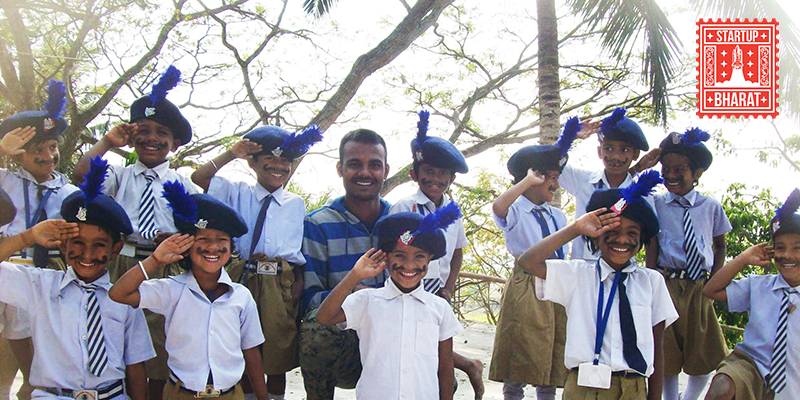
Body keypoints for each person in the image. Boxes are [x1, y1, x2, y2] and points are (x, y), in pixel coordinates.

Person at [73, 65, 198, 398]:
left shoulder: (184, 186)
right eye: (142, 130)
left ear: (174, 144)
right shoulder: (119, 175)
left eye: (161, 133)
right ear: (131, 137)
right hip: (120, 266)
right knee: (114, 336)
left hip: (162, 270)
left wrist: (178, 242)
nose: (151, 138)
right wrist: (107, 141)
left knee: (157, 347)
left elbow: (197, 230)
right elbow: (81, 175)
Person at [0, 156, 155, 400]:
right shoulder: (40, 286)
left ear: (115, 250)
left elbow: (136, 368)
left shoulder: (125, 300)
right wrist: (26, 237)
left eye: (99, 245)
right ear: (63, 245)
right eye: (78, 243)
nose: (87, 254)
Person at [517, 170, 678, 400]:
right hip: (584, 388)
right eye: (612, 231)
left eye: (632, 233)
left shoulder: (652, 282)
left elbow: (657, 347)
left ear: (641, 240)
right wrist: (575, 228)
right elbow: (528, 262)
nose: (622, 239)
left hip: (634, 389)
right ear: (595, 236)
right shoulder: (577, 275)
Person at [191, 124, 323, 400]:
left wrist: (298, 282)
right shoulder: (236, 192)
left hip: (280, 284)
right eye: (269, 159)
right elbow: (199, 176)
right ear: (252, 163)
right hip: (243, 278)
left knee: (277, 354)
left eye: (285, 161)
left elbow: (297, 250)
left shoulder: (295, 203)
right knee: (240, 347)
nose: (279, 166)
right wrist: (232, 153)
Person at [109, 181, 268, 400]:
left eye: (221, 240)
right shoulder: (172, 290)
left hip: (231, 394)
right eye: (203, 239)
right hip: (181, 394)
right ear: (187, 246)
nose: (212, 247)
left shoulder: (242, 296)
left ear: (231, 248)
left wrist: (262, 397)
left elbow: (251, 351)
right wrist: (155, 259)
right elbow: (118, 293)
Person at [316, 204, 464, 400]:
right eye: (400, 255)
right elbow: (324, 317)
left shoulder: (439, 308)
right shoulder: (367, 301)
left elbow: (445, 366)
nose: (409, 265)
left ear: (430, 259)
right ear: (386, 258)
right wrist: (354, 275)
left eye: (419, 256)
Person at [388, 110, 483, 398]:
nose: (435, 179)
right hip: (404, 285)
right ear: (414, 174)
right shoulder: (404, 207)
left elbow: (457, 252)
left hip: (436, 291)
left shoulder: (452, 212)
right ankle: (467, 364)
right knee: (413, 347)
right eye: (428, 171)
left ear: (452, 179)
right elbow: (390, 250)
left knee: (436, 349)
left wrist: (449, 288)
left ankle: (453, 380)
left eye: (443, 174)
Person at [488, 117, 580, 400]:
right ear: (531, 178)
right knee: (519, 353)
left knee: (551, 356)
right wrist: (526, 181)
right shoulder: (516, 210)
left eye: (556, 177)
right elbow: (499, 206)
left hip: (555, 283)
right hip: (527, 286)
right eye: (549, 177)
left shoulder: (558, 216)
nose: (555, 184)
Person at [0, 79, 78, 400]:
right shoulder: (4, 180)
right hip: (5, 266)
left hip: (46, 274)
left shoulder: (70, 193)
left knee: (39, 366)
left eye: (53, 147)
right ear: (17, 155)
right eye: (36, 151)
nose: (48, 157)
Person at [299, 128, 390, 400]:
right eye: (354, 164)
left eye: (374, 165)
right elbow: (309, 300)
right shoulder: (318, 224)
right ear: (340, 169)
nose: (365, 172)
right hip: (344, 346)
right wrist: (353, 293)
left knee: (440, 378)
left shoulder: (399, 220)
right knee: (316, 327)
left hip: (393, 336)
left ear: (385, 170)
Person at [646, 128, 732, 400]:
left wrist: (714, 280)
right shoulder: (656, 204)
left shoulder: (711, 207)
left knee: (704, 350)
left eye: (679, 170)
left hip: (699, 285)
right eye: (666, 169)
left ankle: (689, 397)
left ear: (697, 173)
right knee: (666, 350)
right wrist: (650, 279)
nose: (670, 175)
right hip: (666, 282)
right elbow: (651, 244)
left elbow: (720, 246)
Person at [702, 188, 800, 400]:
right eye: (780, 248)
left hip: (794, 375)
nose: (787, 255)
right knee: (721, 386)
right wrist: (743, 259)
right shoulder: (759, 286)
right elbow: (710, 290)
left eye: (797, 248)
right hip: (751, 367)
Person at [558, 107, 660, 261]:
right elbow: (548, 165)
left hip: (622, 271)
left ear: (635, 154)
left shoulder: (642, 194)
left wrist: (651, 274)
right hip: (582, 270)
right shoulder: (583, 181)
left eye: (624, 150)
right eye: (609, 148)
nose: (615, 156)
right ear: (599, 152)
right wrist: (570, 135)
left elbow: (650, 239)